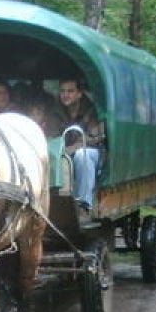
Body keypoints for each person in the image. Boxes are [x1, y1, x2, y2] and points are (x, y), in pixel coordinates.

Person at [56, 78, 104, 219]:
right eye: (63, 91)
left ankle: (84, 205)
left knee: (82, 155)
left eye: (70, 91)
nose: (66, 95)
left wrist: (75, 146)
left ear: (79, 94)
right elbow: (51, 133)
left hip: (92, 152)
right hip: (63, 150)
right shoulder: (56, 110)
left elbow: (97, 136)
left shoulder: (91, 110)